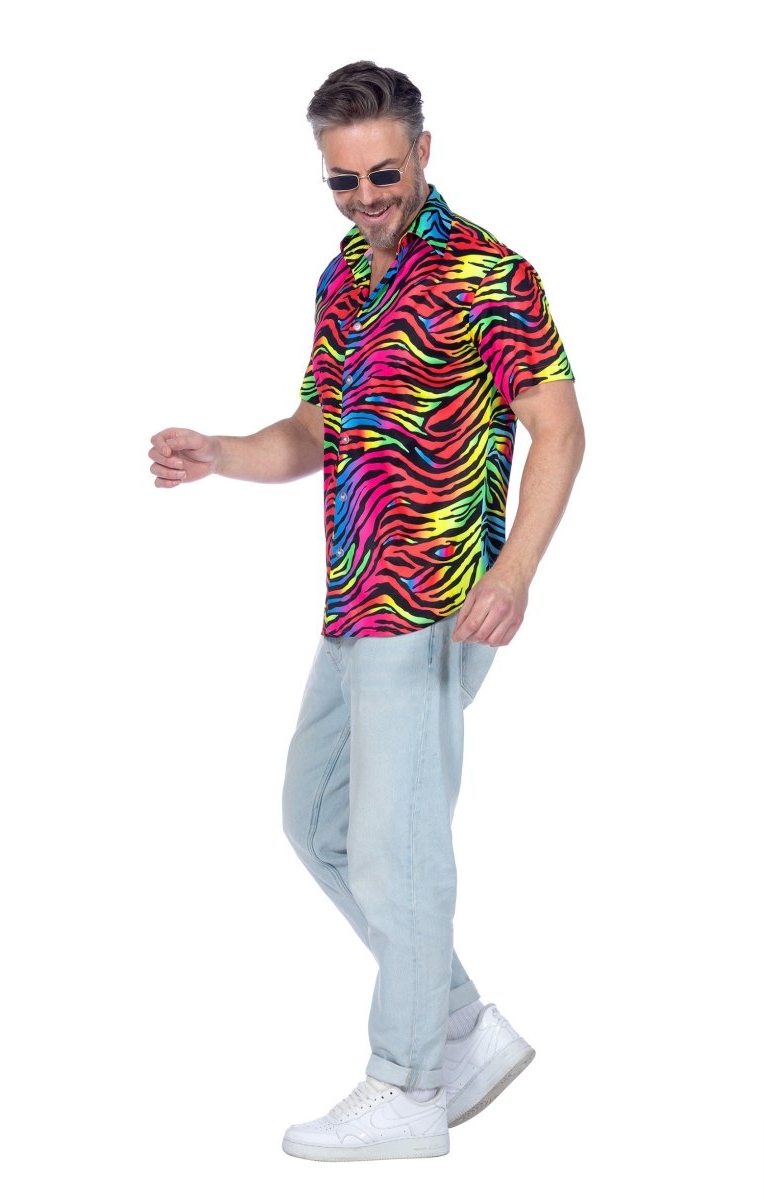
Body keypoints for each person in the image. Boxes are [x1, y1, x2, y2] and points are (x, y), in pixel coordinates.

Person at [149, 60, 584, 1162]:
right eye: (342, 182)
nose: (365, 199)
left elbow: (561, 428)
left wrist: (515, 571)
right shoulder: (344, 275)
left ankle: (409, 1084)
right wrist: (220, 454)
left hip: (436, 597)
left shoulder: (490, 273)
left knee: (398, 844)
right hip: (352, 600)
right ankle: (457, 1024)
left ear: (422, 152)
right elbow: (312, 432)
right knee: (318, 820)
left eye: (382, 174)